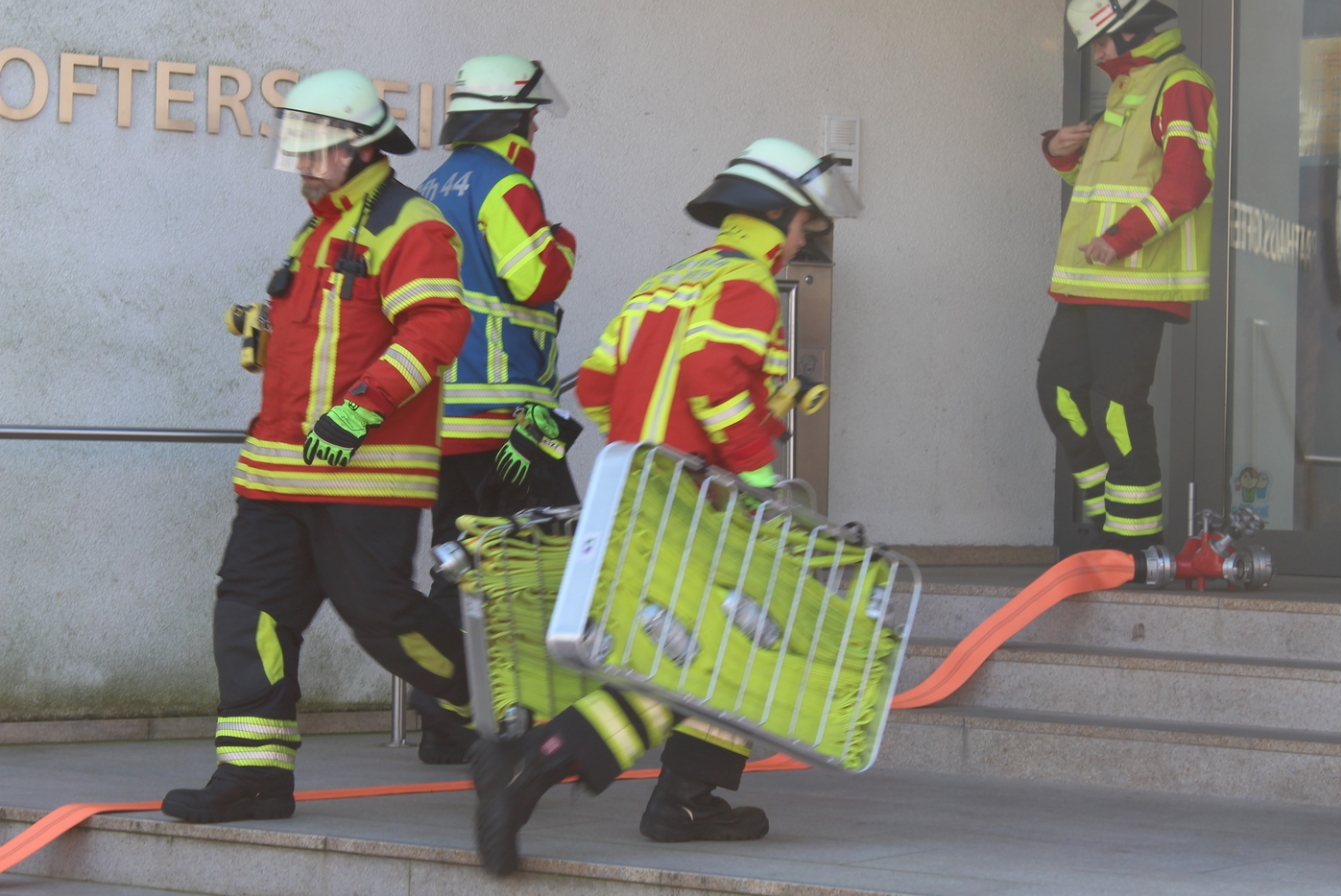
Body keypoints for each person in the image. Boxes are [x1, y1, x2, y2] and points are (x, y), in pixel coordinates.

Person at [469, 138, 859, 875]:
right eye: (805, 221)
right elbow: (713, 382)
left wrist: (650, 451)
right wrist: (760, 477)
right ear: (775, 213)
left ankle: (684, 797)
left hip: (636, 501)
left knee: (712, 654)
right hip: (697, 510)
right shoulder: (745, 287)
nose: (808, 234)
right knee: (699, 666)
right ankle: (535, 764)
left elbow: (597, 386)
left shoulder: (668, 282)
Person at [161, 69, 472, 823]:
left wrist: (358, 412)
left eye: (316, 149)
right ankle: (254, 776)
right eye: (295, 148)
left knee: (384, 620)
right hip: (278, 474)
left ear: (362, 149)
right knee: (250, 614)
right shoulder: (321, 225)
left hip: (366, 477)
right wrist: (263, 328)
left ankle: (497, 704)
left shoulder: (412, 224)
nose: (301, 163)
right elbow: (330, 336)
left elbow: (435, 329)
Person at [409, 54, 582, 763]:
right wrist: (565, 242)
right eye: (533, 116)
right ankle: (539, 720)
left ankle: (442, 717)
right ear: (514, 118)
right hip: (511, 416)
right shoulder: (505, 185)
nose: (538, 127)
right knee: (549, 560)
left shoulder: (432, 184)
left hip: (446, 417)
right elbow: (534, 278)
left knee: (459, 562)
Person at [1037, 0, 1218, 551]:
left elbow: (1188, 181)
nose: (1096, 57)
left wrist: (1123, 239)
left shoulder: (1180, 82)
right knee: (1059, 391)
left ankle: (1134, 546)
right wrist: (1060, 153)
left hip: (1137, 278)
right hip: (1091, 281)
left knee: (1117, 407)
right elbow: (1108, 179)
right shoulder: (1130, 87)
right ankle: (1105, 510)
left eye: (1101, 43)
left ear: (1131, 33)